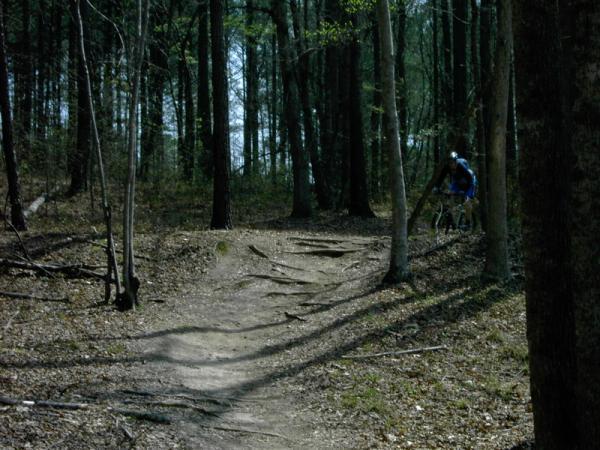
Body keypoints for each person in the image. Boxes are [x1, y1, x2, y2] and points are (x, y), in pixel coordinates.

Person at [434, 151, 477, 230]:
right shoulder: (447, 167)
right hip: (457, 182)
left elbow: (470, 179)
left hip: (470, 182)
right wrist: (437, 187)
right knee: (451, 198)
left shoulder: (461, 166)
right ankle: (453, 220)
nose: (451, 165)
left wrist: (467, 194)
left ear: (456, 161)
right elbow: (440, 178)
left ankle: (468, 223)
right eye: (449, 163)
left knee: (467, 202)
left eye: (453, 162)